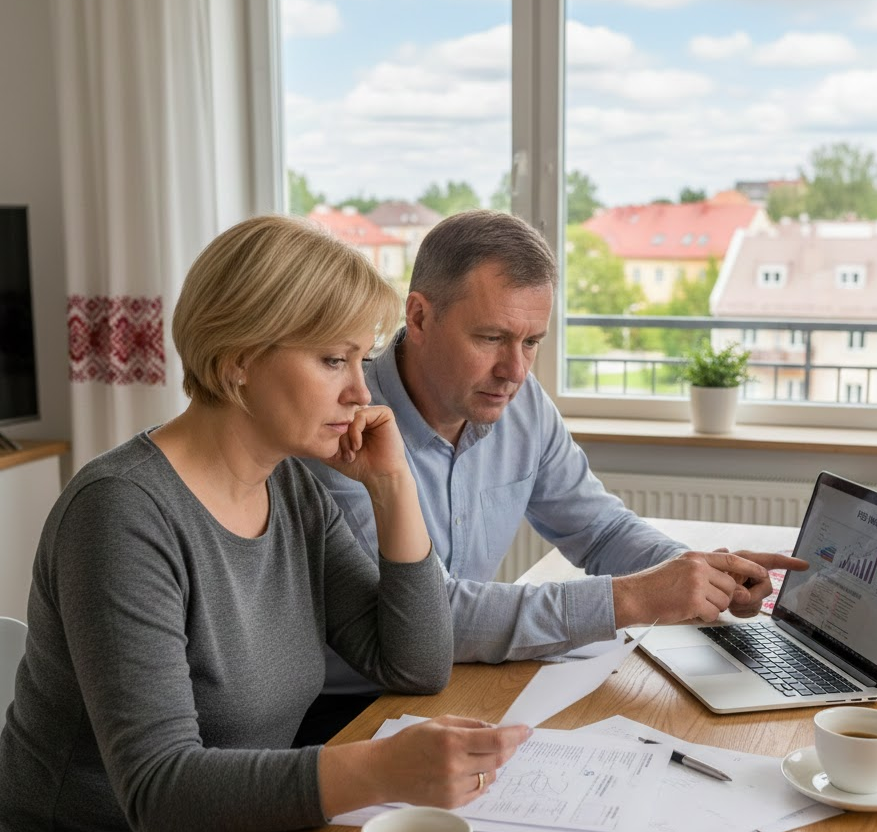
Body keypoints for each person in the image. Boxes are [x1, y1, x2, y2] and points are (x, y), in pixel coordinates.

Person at [0, 214, 529, 832]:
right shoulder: (119, 515)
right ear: (238, 360)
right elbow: (159, 791)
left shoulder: (290, 490)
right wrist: (380, 770)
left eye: (360, 359)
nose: (359, 392)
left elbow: (413, 663)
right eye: (331, 360)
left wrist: (393, 488)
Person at [298, 209, 805, 745]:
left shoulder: (519, 405)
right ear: (420, 317)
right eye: (491, 337)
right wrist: (629, 599)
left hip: (458, 686)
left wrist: (702, 577)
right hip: (346, 712)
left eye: (531, 342)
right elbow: (428, 618)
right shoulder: (342, 425)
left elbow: (600, 530)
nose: (515, 371)